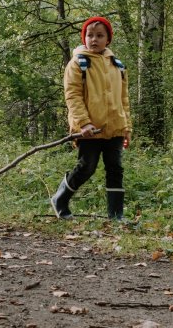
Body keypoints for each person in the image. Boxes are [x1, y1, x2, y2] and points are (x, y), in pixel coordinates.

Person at [51, 16, 132, 221]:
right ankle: (60, 199)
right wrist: (83, 123)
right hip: (89, 129)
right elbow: (73, 96)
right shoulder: (78, 63)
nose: (94, 39)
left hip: (114, 128)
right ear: (84, 37)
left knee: (115, 168)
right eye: (89, 35)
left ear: (108, 40)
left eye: (99, 36)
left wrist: (127, 127)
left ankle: (116, 215)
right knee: (87, 167)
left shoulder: (118, 65)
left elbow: (124, 99)